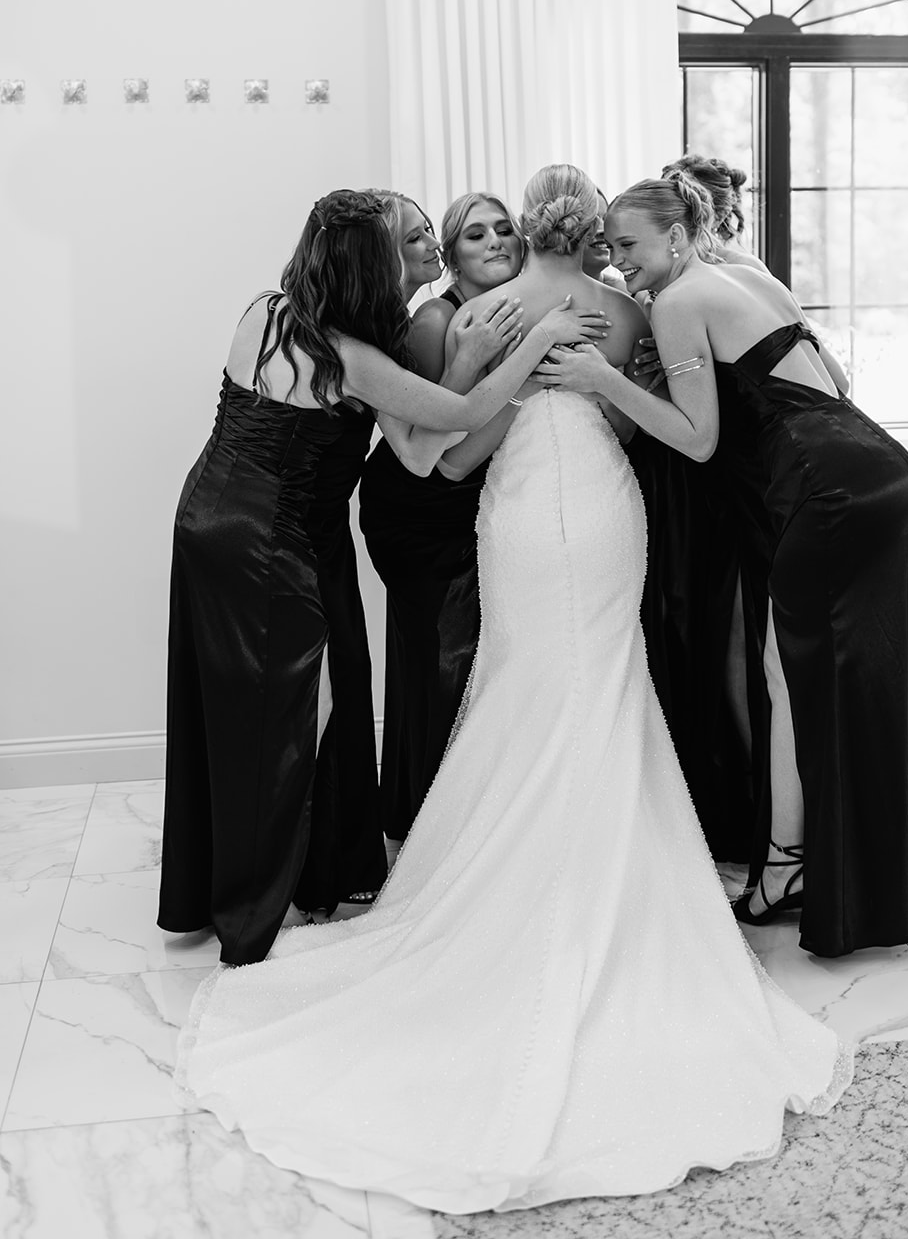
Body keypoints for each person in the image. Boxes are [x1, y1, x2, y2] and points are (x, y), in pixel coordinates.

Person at [176, 164, 851, 1212]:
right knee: (603, 681)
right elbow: (630, 432)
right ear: (592, 232)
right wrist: (580, 383)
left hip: (523, 513)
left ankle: (470, 874)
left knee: (526, 684)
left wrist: (521, 381)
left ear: (526, 227)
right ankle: (606, 878)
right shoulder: (628, 312)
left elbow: (448, 460)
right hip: (604, 504)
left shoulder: (466, 316)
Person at [158, 188, 599, 967]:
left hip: (236, 518)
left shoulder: (278, 314)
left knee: (298, 693)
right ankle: (249, 908)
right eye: (414, 237)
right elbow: (450, 423)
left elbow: (418, 448)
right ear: (372, 261)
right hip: (262, 535)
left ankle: (321, 870)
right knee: (283, 715)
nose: (430, 243)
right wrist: (539, 342)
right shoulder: (350, 356)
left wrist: (465, 362)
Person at [538, 173, 908, 959]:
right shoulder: (749, 275)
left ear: (675, 235)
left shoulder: (677, 302)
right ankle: (829, 868)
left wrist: (602, 379)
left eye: (628, 244)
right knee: (828, 675)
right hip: (878, 467)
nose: (618, 262)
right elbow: (836, 382)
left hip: (823, 488)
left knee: (790, 679)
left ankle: (791, 867)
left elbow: (695, 440)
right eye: (610, 247)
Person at [360, 191, 529, 841]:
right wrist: (505, 375)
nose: (494, 242)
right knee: (444, 654)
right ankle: (434, 821)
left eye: (503, 229)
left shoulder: (517, 306)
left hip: (470, 497)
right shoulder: (436, 319)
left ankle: (433, 802)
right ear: (454, 257)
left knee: (462, 653)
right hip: (418, 503)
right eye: (474, 235)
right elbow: (431, 440)